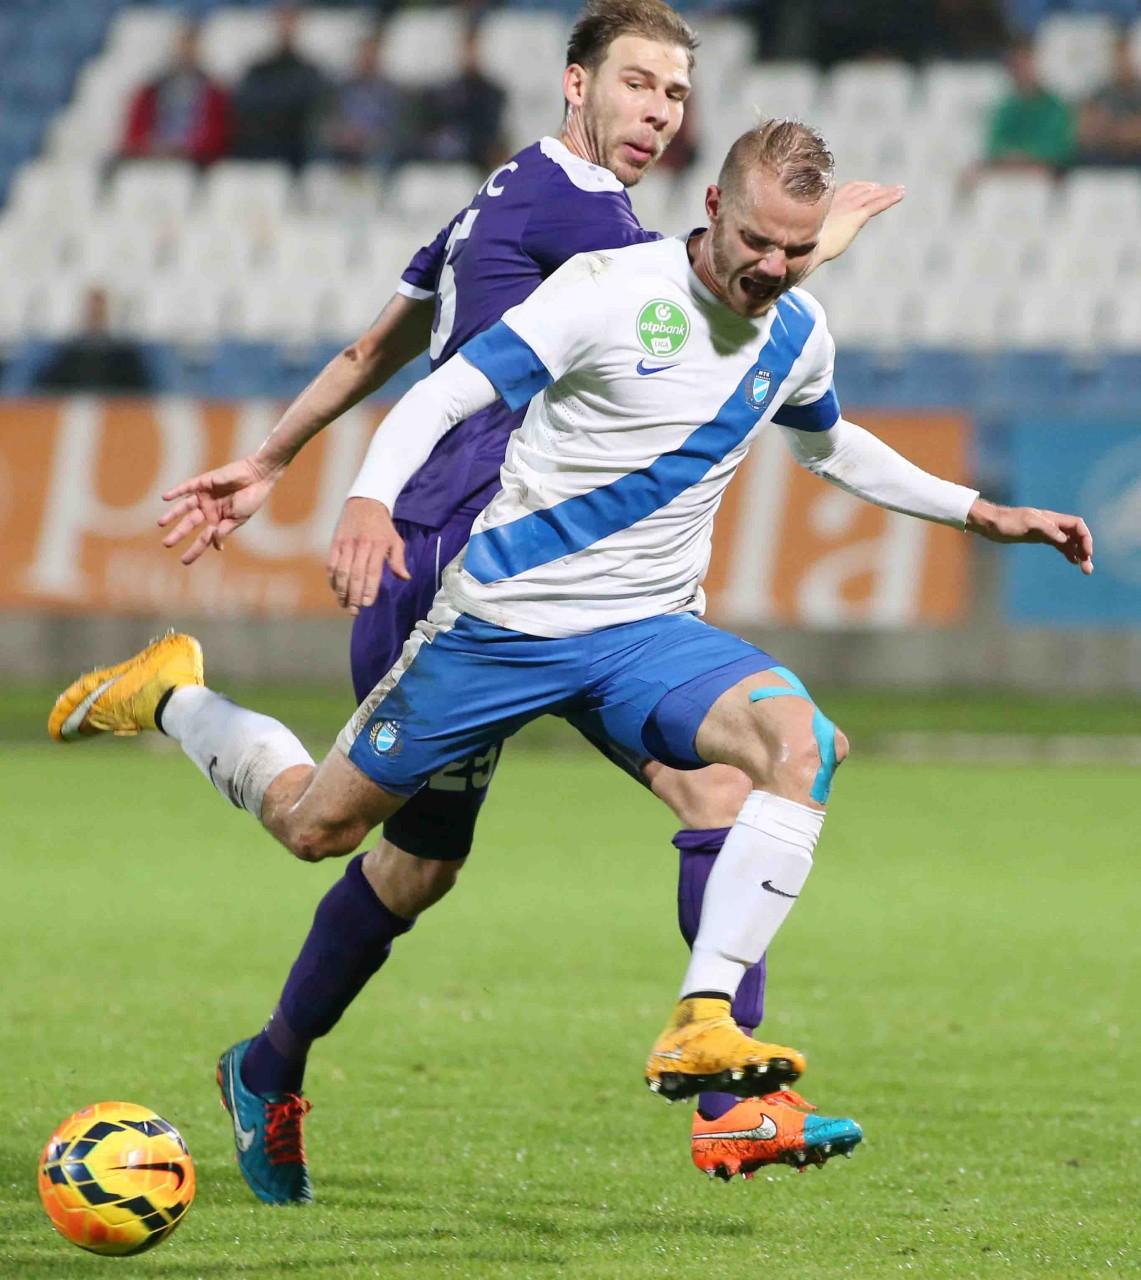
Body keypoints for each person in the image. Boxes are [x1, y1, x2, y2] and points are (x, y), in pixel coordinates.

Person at [50, 118, 1094, 1200]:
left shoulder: (796, 328)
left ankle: (713, 1050)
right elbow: (442, 391)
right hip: (502, 625)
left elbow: (828, 442)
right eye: (757, 243)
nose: (775, 269)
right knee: (332, 833)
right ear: (712, 210)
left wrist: (979, 510)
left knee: (790, 750)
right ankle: (178, 702)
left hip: (643, 633)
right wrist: (366, 497)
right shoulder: (606, 290)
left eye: (797, 249)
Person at [148, 0, 904, 1201]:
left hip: (578, 589)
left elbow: (379, 345)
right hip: (462, 573)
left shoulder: (502, 195)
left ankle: (731, 1096)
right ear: (575, 83)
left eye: (675, 93)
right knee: (382, 852)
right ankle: (188, 737)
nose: (657, 114)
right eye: (636, 84)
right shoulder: (587, 219)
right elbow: (721, 281)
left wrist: (271, 456)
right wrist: (820, 246)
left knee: (724, 780)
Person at [120, 20, 230, 168]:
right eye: (182, 45)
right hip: (152, 153)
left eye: (191, 46)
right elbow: (134, 131)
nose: (185, 51)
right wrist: (149, 147)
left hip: (194, 159)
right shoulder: (150, 90)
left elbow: (216, 136)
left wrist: (188, 149)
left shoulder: (214, 93)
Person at [231, 4, 327, 170]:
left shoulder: (309, 71)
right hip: (261, 143)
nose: (286, 27)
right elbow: (247, 105)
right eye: (282, 20)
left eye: (290, 21)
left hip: (297, 146)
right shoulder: (258, 70)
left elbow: (314, 108)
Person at [315, 30, 411, 171]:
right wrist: (341, 134)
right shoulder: (340, 89)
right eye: (364, 54)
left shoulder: (393, 92)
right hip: (343, 145)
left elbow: (398, 127)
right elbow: (326, 121)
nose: (367, 60)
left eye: (371, 55)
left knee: (388, 153)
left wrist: (370, 138)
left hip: (377, 147)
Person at [418, 25, 509, 172]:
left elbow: (492, 131)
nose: (469, 55)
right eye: (465, 49)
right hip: (449, 153)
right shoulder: (444, 91)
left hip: (477, 155)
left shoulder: (493, 93)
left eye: (473, 49)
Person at [33, 287, 154, 394]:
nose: (95, 315)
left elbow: (136, 390)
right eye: (92, 311)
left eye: (99, 312)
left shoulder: (124, 354)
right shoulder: (67, 352)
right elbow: (49, 387)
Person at [985, 40, 1075, 175]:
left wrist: (1026, 157)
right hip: (1008, 169)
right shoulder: (1006, 108)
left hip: (1046, 173)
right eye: (1017, 65)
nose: (1023, 71)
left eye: (1026, 63)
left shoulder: (1055, 107)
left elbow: (1058, 150)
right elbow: (994, 145)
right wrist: (1014, 157)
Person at [1075, 30, 1141, 168]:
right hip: (1105, 156)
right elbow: (1084, 129)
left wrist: (1111, 129)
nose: (1122, 62)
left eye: (1125, 56)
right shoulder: (1100, 92)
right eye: (1117, 57)